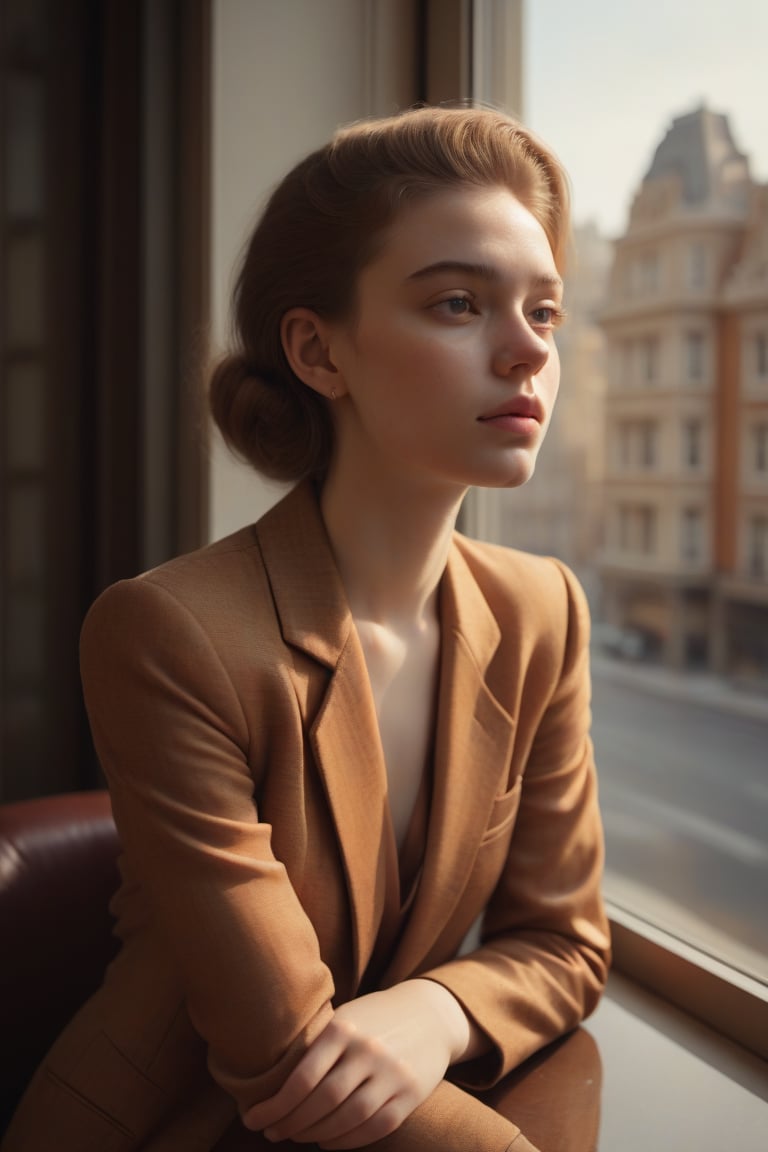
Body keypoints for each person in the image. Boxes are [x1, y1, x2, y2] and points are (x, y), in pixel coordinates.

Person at [2, 105, 610, 1152]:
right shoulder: (167, 631)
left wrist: (437, 1008)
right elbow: (282, 1049)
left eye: (545, 314)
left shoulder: (543, 607)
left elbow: (563, 944)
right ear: (318, 351)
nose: (524, 353)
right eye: (460, 303)